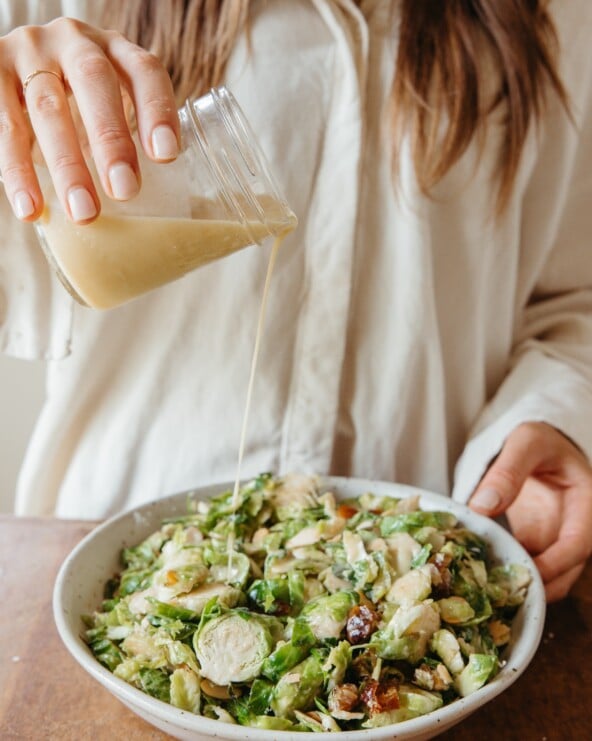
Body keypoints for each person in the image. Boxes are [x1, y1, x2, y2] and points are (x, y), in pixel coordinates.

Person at [0, 0, 590, 604]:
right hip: (111, 560)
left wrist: (553, 415)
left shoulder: (560, 21)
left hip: (417, 577)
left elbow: (574, 299)